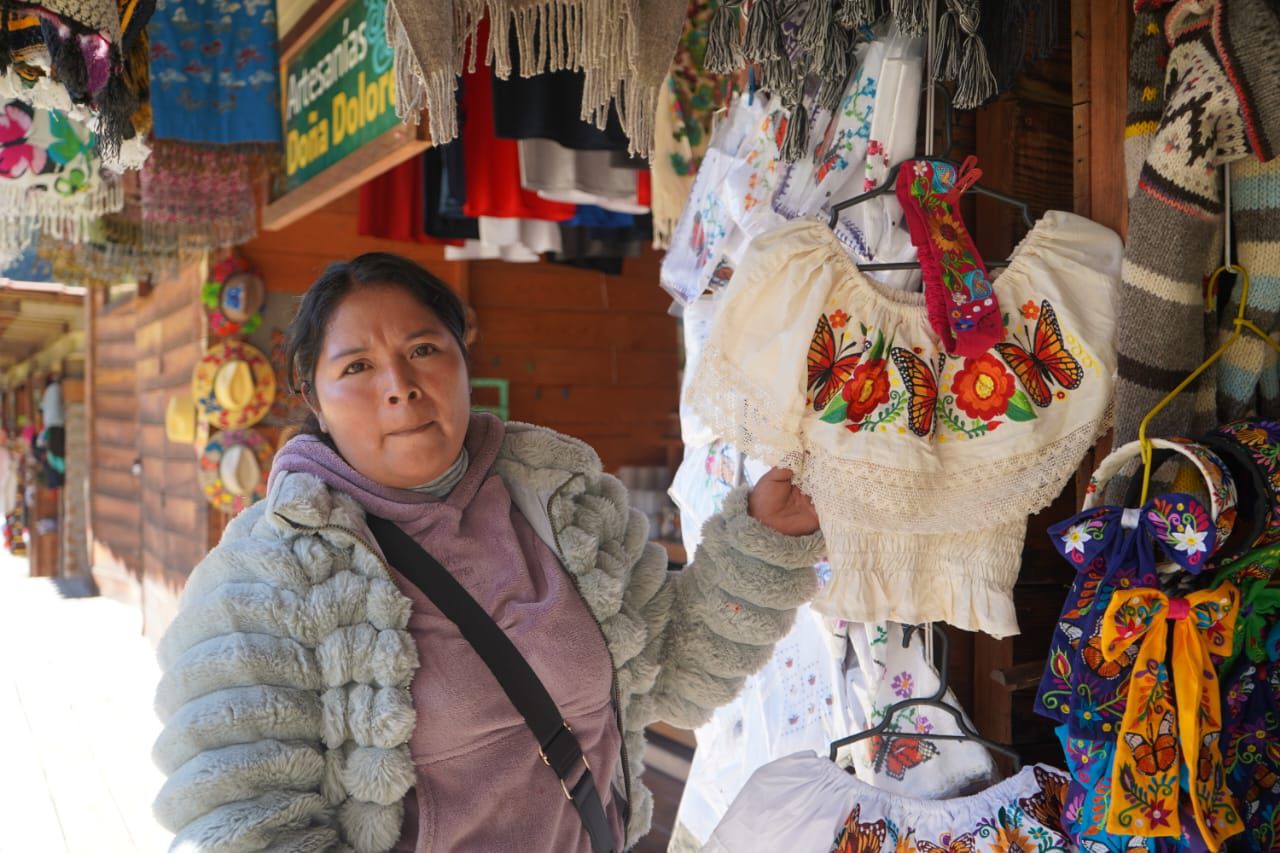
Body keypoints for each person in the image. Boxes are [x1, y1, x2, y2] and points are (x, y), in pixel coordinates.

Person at [151, 253, 825, 852]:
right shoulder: (264, 581)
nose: (399, 384)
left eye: (422, 348)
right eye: (357, 365)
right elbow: (243, 822)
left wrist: (765, 541)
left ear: (462, 353)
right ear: (312, 397)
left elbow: (673, 668)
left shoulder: (560, 500)